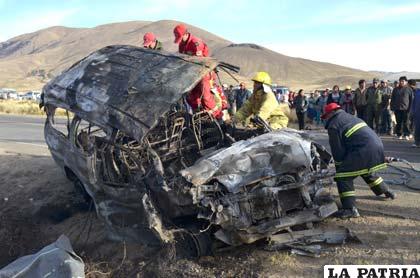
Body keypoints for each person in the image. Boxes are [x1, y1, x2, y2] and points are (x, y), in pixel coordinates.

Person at [322, 103, 396, 218]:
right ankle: (386, 191)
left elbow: (338, 152)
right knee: (366, 170)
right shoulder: (352, 117)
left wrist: (339, 168)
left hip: (363, 150)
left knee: (343, 177)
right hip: (377, 146)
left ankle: (350, 209)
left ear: (331, 113)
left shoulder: (333, 125)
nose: (325, 119)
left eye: (325, 116)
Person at [391, 76, 413, 140]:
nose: (401, 82)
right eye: (400, 81)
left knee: (406, 122)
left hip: (406, 109)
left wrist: (410, 109)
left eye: (403, 81)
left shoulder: (409, 89)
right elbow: (392, 99)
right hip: (397, 108)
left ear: (406, 82)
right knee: (398, 122)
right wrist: (392, 107)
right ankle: (399, 134)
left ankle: (407, 134)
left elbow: (411, 99)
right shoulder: (395, 89)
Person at [409, 79, 420, 147]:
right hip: (417, 114)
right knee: (417, 128)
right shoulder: (416, 92)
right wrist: (412, 112)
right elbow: (413, 103)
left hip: (416, 113)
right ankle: (417, 142)